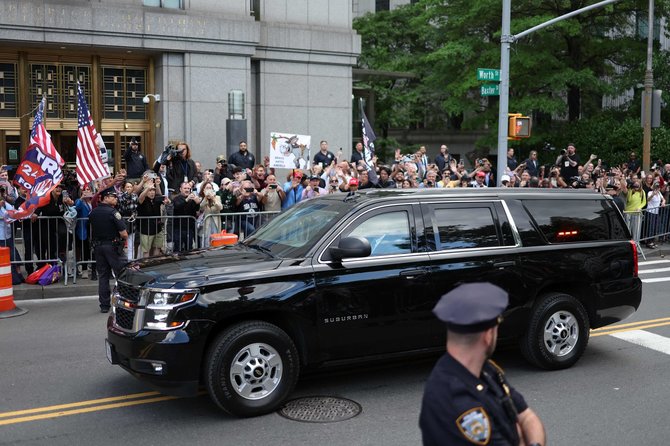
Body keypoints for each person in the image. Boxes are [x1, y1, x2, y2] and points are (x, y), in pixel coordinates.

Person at [419, 283, 546, 446]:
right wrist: (520, 435)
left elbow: (528, 417)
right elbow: (522, 422)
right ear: (488, 335)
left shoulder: (485, 369)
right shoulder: (458, 402)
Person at [88, 187, 128, 313]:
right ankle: (124, 301)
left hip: (98, 247)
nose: (116, 199)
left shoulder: (93, 212)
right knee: (122, 274)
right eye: (113, 196)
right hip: (112, 246)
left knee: (103, 276)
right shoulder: (113, 213)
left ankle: (104, 305)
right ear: (105, 197)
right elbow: (124, 234)